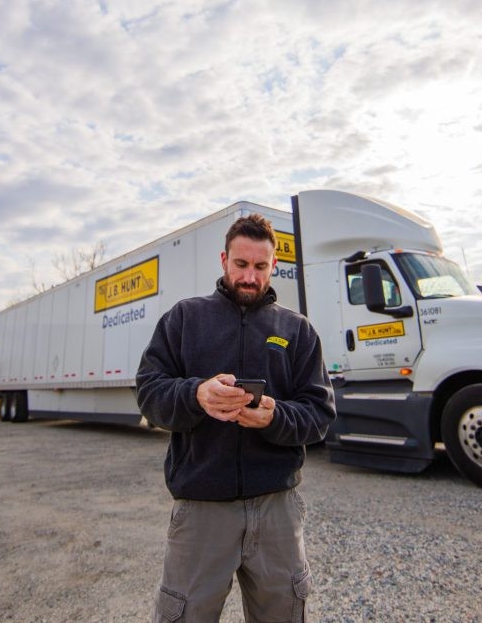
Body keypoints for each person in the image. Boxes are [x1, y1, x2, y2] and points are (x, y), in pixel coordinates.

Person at [136, 213, 336, 623]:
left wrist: (275, 417)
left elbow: (319, 413)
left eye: (260, 267)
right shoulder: (185, 319)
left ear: (273, 266)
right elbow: (149, 393)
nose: (250, 277)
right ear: (224, 260)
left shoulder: (296, 331)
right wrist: (196, 394)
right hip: (201, 508)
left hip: (277, 508)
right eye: (241, 265)